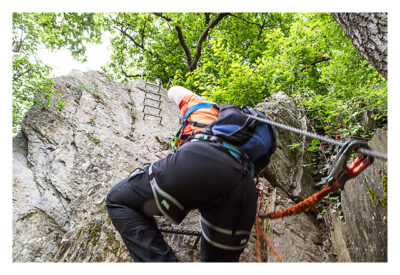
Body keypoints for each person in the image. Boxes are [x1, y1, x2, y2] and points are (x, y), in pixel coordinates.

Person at [106, 86, 260, 262]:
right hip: (244, 187)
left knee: (118, 200)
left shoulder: (200, 103)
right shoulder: (240, 131)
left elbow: (174, 91)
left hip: (200, 159)